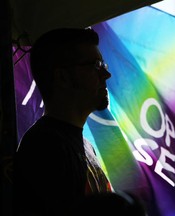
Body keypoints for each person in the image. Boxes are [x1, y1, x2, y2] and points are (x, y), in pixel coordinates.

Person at [14, 28, 114, 216]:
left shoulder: (84, 146)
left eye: (104, 66)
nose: (106, 75)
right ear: (63, 78)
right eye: (96, 65)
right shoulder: (44, 149)